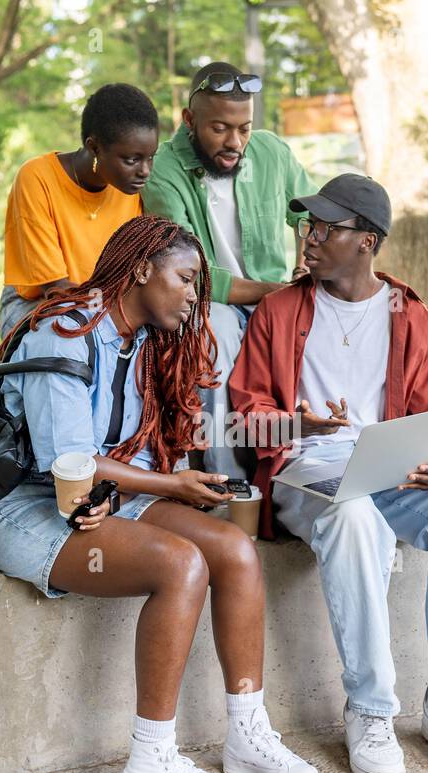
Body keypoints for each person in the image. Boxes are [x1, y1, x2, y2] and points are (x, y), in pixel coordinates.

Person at [0, 216, 319, 773]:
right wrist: (172, 484)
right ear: (140, 270)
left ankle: (247, 731)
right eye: (187, 279)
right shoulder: (64, 331)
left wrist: (199, 477)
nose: (195, 295)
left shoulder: (141, 338)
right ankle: (150, 763)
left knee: (235, 552)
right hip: (27, 508)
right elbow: (69, 466)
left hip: (102, 499)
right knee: (181, 566)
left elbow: (125, 459)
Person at [228, 175, 428, 773]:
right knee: (352, 516)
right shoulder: (278, 312)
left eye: (327, 229)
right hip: (306, 473)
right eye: (308, 226)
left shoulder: (415, 319)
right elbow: (244, 424)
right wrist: (299, 422)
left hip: (392, 473)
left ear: (367, 242)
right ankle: (371, 710)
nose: (311, 239)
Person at [142, 61, 316, 480]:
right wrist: (269, 292)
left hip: (271, 292)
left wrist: (305, 260)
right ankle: (228, 481)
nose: (234, 141)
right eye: (219, 128)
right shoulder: (163, 170)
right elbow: (186, 271)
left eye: (244, 128)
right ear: (189, 120)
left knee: (312, 337)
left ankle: (307, 465)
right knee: (213, 340)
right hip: (207, 299)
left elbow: (309, 211)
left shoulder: (271, 151)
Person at [0, 83, 159, 341]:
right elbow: (56, 288)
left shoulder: (133, 188)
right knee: (72, 333)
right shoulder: (37, 179)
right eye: (132, 160)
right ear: (94, 147)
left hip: (108, 308)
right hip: (41, 307)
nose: (145, 171)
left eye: (151, 157)